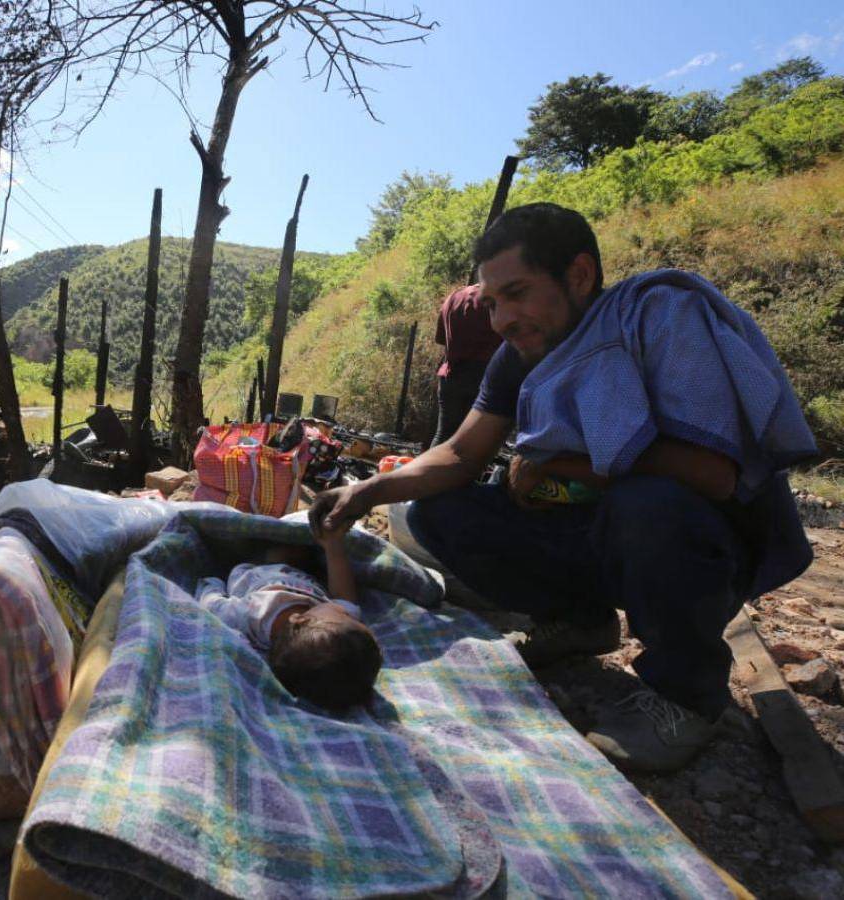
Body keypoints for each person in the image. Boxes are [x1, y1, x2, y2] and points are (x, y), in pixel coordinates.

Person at [310, 202, 817, 772]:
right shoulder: (519, 355)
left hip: (692, 541)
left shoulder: (657, 319)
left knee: (646, 503)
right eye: (493, 302)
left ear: (578, 276)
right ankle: (581, 622)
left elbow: (713, 475)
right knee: (437, 512)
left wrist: (559, 465)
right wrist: (365, 495)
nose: (501, 319)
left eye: (517, 294)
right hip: (599, 534)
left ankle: (686, 696)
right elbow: (458, 454)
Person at [197, 533, 382, 713]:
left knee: (268, 548)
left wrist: (213, 581)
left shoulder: (250, 616)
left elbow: (211, 604)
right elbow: (345, 597)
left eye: (347, 617)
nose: (349, 612)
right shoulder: (322, 627)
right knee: (301, 547)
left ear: (302, 619)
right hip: (299, 569)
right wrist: (333, 546)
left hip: (253, 567)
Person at [431, 284, 503, 447]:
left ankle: (428, 472)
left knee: (444, 435)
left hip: (451, 374)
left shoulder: (454, 297)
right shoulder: (497, 298)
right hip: (485, 377)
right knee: (477, 443)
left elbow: (440, 339)